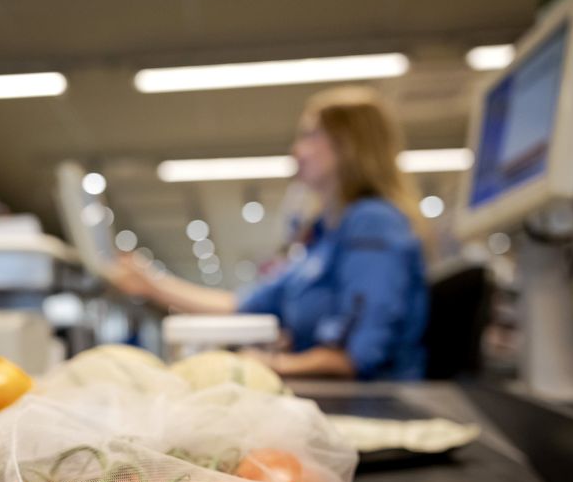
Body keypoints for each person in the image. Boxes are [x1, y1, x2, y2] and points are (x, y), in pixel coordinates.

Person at [111, 86, 429, 380]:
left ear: (349, 143)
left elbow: (360, 354)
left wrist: (273, 365)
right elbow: (243, 305)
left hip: (373, 406)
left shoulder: (372, 221)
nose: (296, 151)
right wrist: (152, 284)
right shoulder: (324, 239)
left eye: (310, 135)